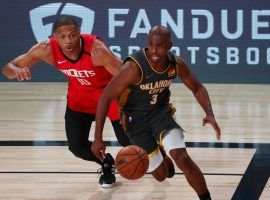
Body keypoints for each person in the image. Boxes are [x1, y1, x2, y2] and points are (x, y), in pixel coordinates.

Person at [91, 26, 221, 199]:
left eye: (159, 46)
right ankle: (161, 151)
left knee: (181, 157)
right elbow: (105, 98)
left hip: (160, 114)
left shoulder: (176, 64)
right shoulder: (133, 67)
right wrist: (98, 137)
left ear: (169, 45)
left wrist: (209, 113)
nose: (154, 50)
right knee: (161, 175)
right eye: (150, 44)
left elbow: (197, 87)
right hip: (134, 120)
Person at [2, 15, 131, 188]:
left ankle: (156, 152)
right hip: (80, 99)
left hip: (109, 96)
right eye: (62, 37)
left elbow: (127, 75)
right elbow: (9, 68)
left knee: (127, 142)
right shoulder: (46, 49)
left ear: (79, 33)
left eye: (72, 35)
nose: (68, 41)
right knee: (76, 147)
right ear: (55, 37)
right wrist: (16, 71)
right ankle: (106, 164)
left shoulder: (96, 50)